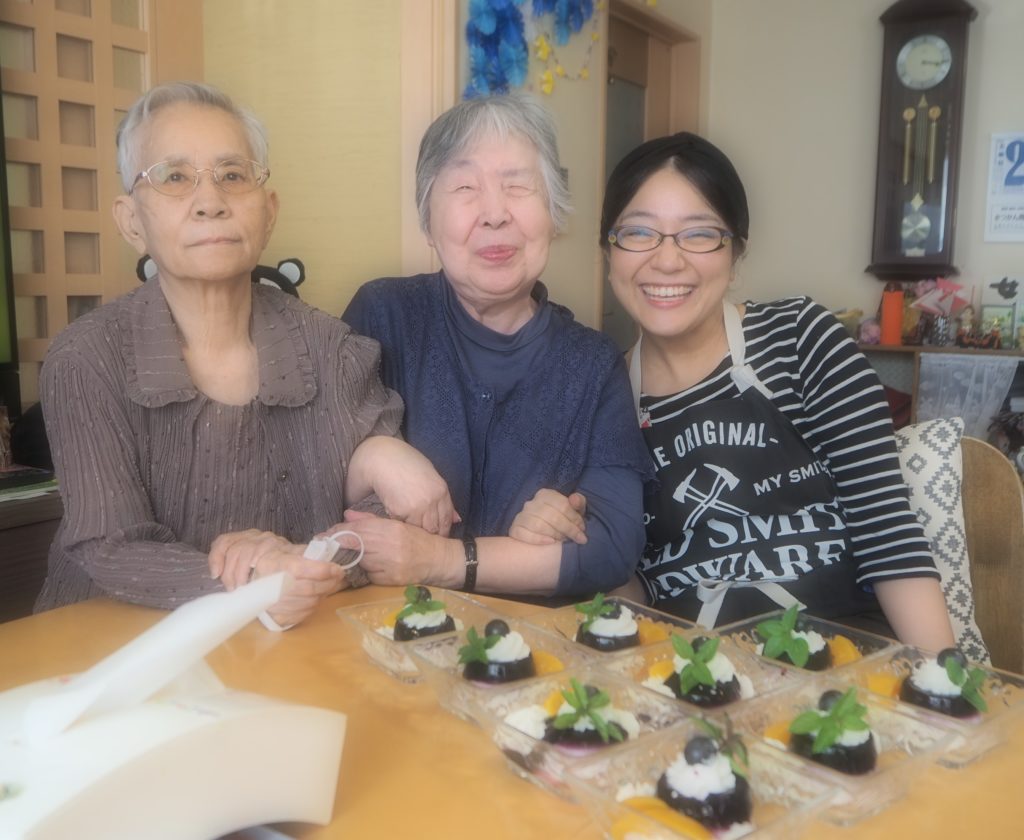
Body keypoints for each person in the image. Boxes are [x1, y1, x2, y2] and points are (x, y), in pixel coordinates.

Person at [515, 132, 954, 650]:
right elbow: (628, 591)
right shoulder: (599, 392)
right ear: (610, 251)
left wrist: (942, 682)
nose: (667, 260)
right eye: (639, 232)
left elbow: (889, 535)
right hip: (692, 673)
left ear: (736, 251)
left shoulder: (799, 339)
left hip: (845, 661)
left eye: (699, 234)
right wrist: (563, 540)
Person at [36, 82, 453, 628]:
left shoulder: (332, 347)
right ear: (131, 221)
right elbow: (112, 547)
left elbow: (380, 510)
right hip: (112, 646)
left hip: (289, 644)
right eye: (174, 177)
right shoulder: (86, 359)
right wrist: (257, 580)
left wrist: (307, 562)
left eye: (232, 175)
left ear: (268, 211)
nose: (210, 201)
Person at [341, 94, 651, 599]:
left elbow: (612, 547)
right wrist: (374, 456)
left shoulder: (592, 364)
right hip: (384, 631)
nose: (494, 214)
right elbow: (309, 481)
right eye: (465, 187)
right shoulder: (383, 316)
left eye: (518, 185)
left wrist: (442, 560)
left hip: (528, 642)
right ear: (428, 221)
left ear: (554, 213)